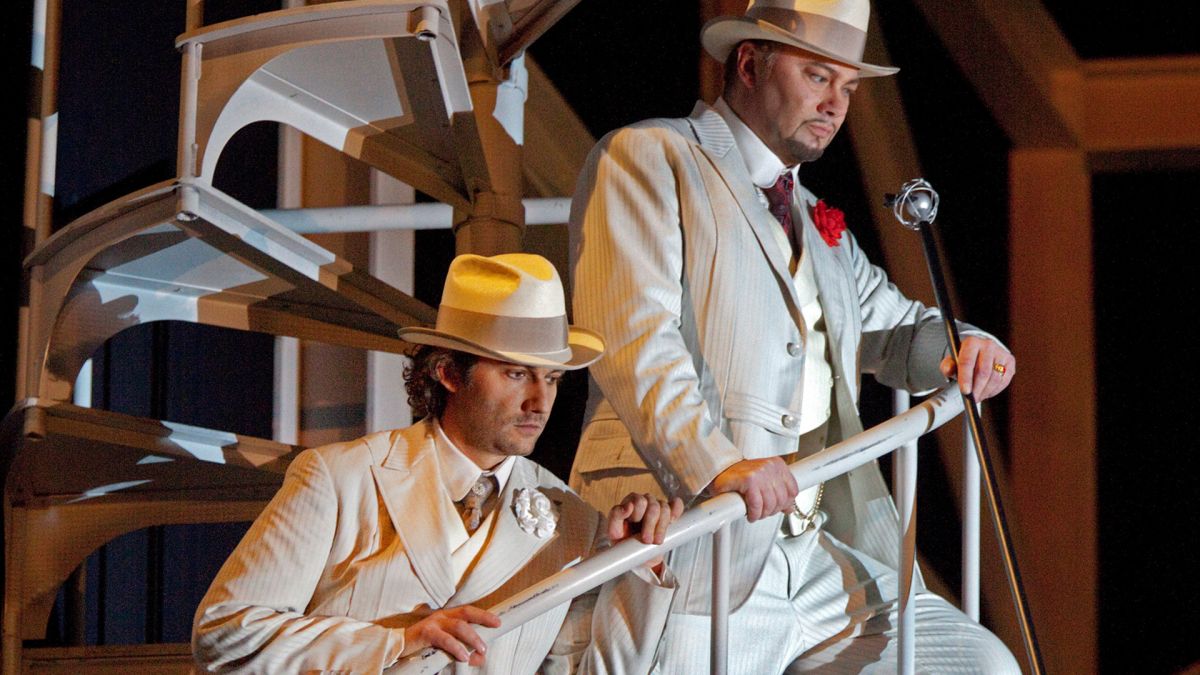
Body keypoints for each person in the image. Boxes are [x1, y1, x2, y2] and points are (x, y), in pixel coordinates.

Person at [567, 0, 1020, 672]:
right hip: (697, 534)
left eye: (848, 86)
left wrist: (967, 344)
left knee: (977, 664)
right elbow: (636, 340)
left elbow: (894, 328)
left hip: (815, 550)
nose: (836, 104)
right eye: (817, 77)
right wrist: (718, 462)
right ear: (749, 63)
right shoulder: (652, 157)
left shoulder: (816, 219)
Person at [193, 253, 682, 674]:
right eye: (516, 374)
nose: (540, 401)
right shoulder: (342, 477)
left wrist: (638, 564)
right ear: (448, 372)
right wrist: (398, 644)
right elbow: (226, 633)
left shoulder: (570, 521)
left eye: (552, 378)